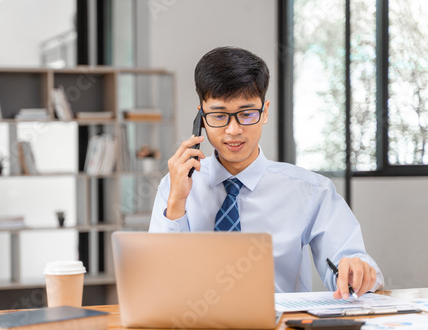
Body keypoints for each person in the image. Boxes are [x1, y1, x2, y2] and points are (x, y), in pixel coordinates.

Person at [149, 46, 384, 298]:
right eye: (219, 116)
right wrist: (176, 203)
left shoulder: (311, 190)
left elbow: (351, 260)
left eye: (247, 113)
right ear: (201, 118)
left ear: (265, 112)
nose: (233, 130)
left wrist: (356, 271)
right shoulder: (175, 185)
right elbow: (157, 283)